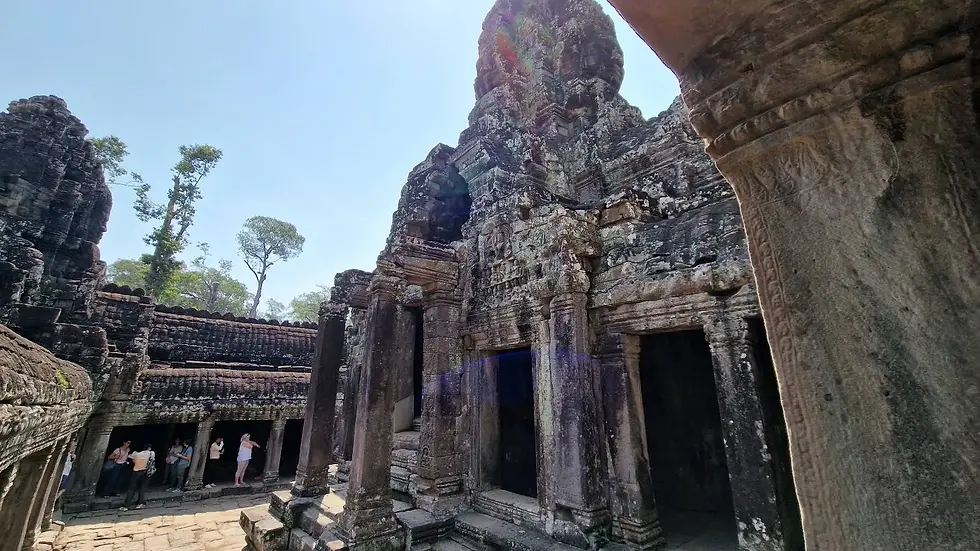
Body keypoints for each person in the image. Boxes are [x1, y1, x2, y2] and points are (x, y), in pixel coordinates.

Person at [120, 444, 155, 511]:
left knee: (131, 488)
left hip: (137, 471)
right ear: (149, 448)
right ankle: (141, 503)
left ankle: (127, 505)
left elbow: (133, 461)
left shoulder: (136, 454)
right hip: (146, 472)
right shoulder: (151, 453)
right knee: (142, 488)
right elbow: (152, 460)